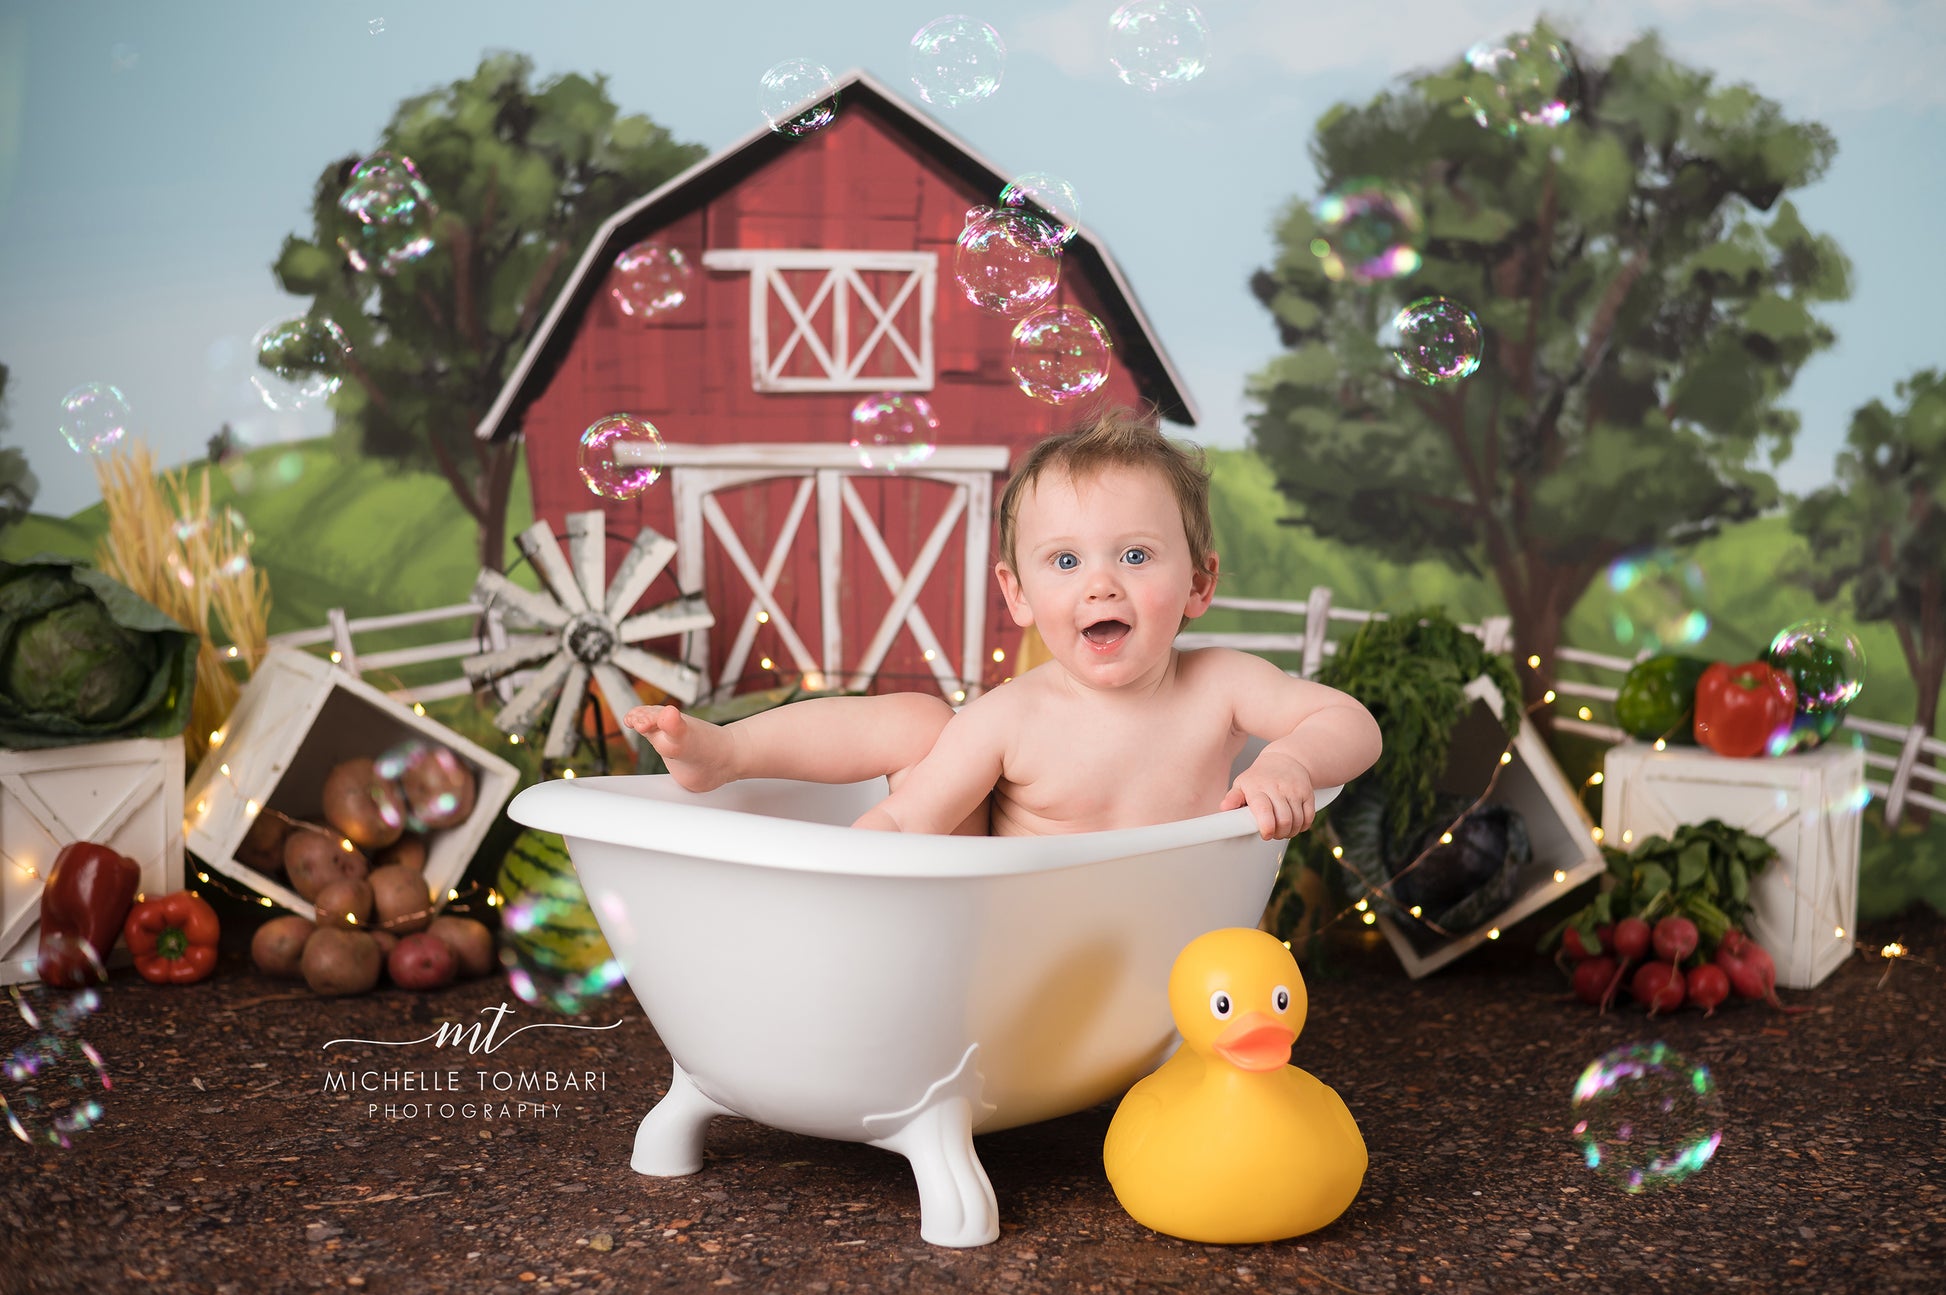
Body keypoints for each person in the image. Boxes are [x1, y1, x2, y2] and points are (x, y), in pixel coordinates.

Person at [624, 407, 1381, 840]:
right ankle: (729, 752)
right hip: (1003, 931)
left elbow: (1351, 723)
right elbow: (911, 822)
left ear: (1200, 583)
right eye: (1065, 561)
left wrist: (1291, 762)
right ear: (1017, 596)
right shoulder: (1014, 715)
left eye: (1136, 554)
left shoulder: (1221, 684)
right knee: (921, 723)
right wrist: (864, 859)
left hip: (1157, 939)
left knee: (932, 726)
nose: (1101, 584)